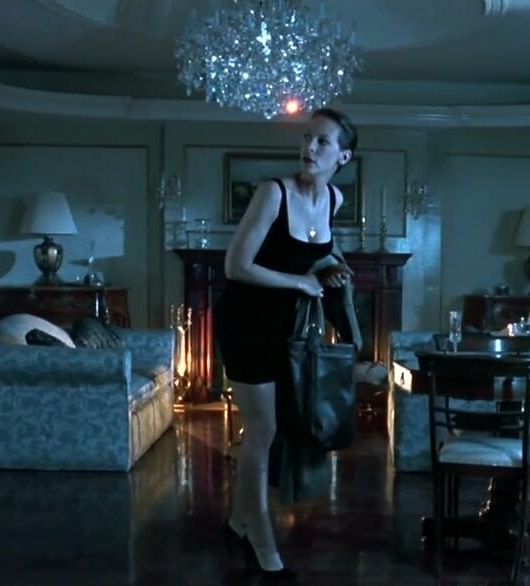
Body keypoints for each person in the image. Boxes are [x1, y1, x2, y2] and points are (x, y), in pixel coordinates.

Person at [214, 108, 359, 579]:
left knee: (271, 432)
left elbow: (314, 255)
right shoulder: (273, 192)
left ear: (343, 156)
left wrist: (327, 269)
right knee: (262, 432)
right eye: (307, 138)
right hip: (247, 324)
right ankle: (262, 542)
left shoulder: (334, 198)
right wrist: (300, 282)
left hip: (290, 332)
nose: (309, 148)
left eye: (322, 142)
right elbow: (236, 266)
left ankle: (238, 523)